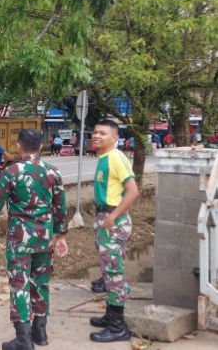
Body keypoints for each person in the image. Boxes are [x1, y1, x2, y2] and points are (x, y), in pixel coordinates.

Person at [0, 129, 68, 350]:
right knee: (41, 282)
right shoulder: (53, 171)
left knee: (19, 284)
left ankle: (24, 340)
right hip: (44, 239)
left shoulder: (11, 172)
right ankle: (40, 333)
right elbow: (60, 208)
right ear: (41, 147)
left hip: (19, 240)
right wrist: (61, 235)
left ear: (18, 146)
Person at [89, 120, 139, 343]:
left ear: (114, 138)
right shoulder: (103, 157)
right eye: (95, 132)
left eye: (103, 133)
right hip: (105, 218)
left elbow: (133, 192)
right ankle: (111, 316)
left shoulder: (116, 157)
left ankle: (118, 327)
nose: (96, 135)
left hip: (113, 221)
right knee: (107, 270)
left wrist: (112, 216)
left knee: (113, 273)